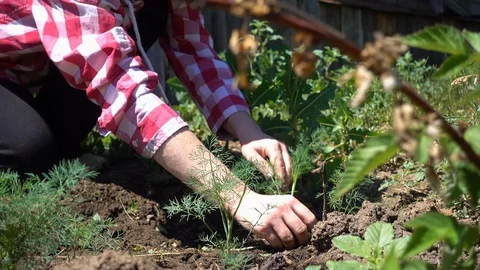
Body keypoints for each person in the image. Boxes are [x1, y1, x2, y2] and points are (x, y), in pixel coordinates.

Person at [0, 0, 317, 250]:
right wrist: (238, 196)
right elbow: (120, 86)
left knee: (149, 10)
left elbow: (193, 49)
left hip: (49, 60)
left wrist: (248, 131)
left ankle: (59, 147)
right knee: (30, 152)